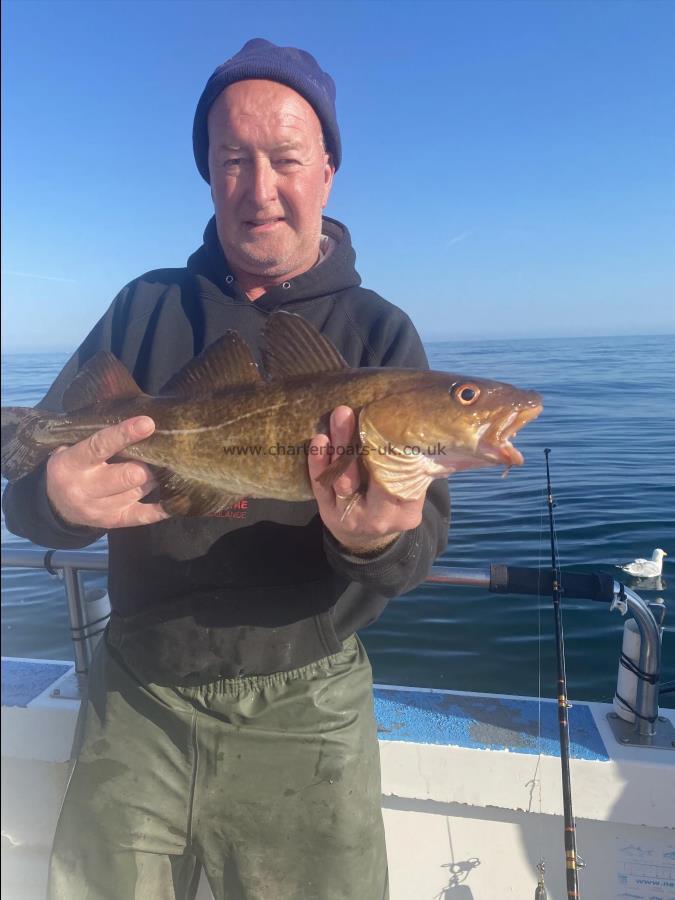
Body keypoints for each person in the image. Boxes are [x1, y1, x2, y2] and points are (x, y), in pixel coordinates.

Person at [3, 38, 449, 900]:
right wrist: (55, 501)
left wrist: (368, 544)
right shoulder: (144, 307)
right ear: (206, 173)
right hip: (134, 691)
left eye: (284, 158)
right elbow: (26, 492)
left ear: (327, 166)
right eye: (231, 160)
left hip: (306, 704)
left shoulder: (381, 340)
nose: (259, 189)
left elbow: (415, 546)